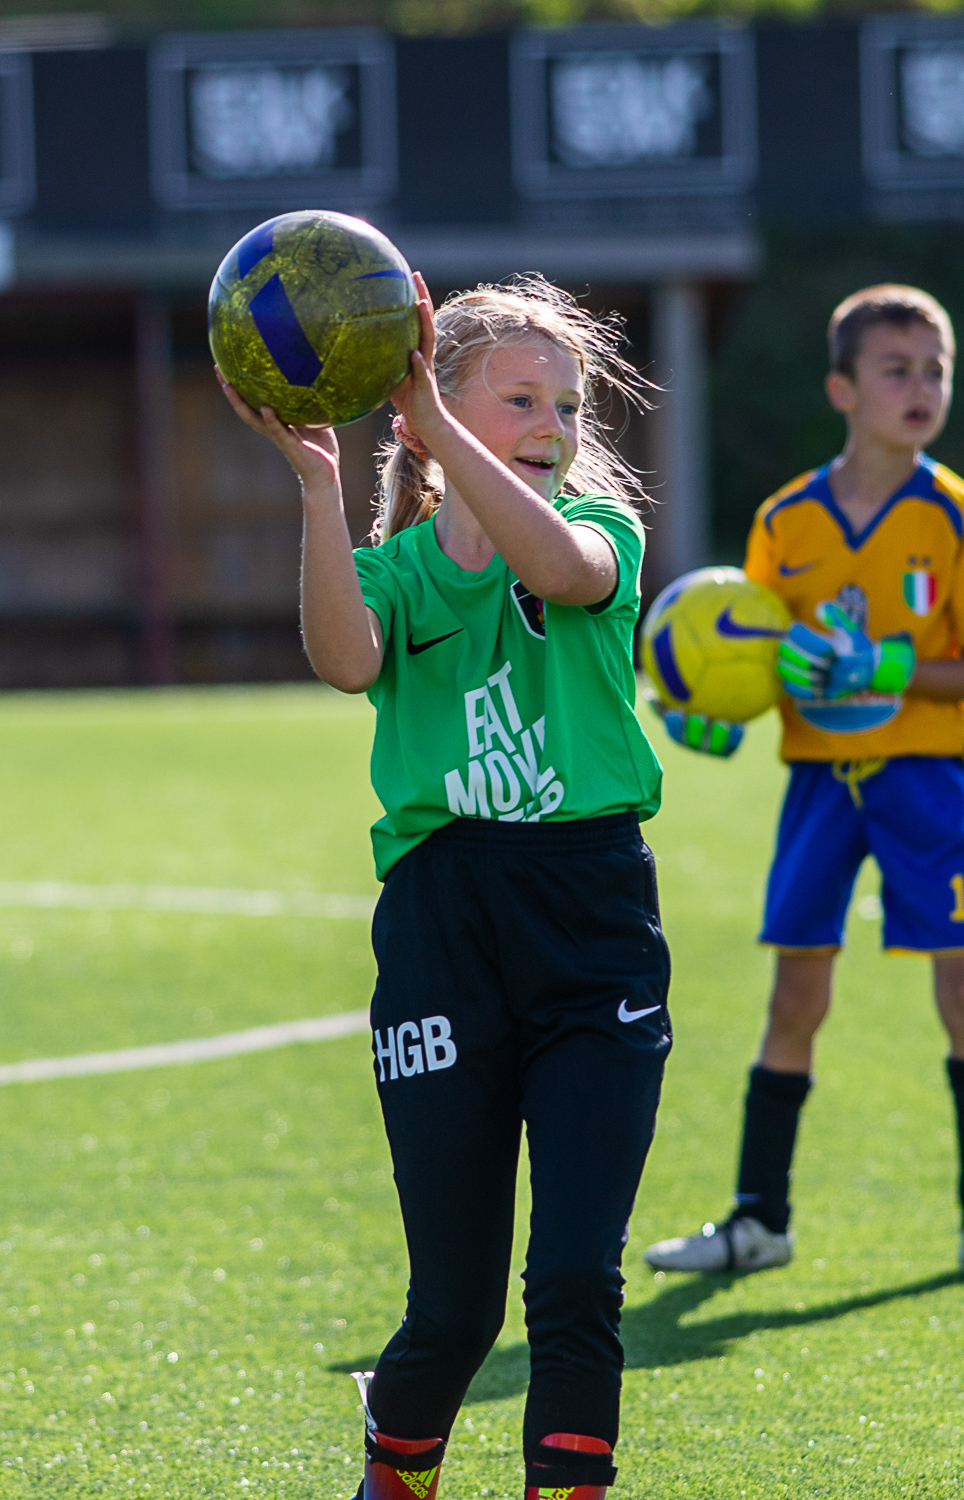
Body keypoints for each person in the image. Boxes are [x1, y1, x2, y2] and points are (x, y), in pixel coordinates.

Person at [221, 273, 671, 1500]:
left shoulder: (600, 537)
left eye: (567, 406)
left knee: (576, 1276)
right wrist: (320, 486)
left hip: (591, 923)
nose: (554, 424)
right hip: (443, 930)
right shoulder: (401, 573)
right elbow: (340, 658)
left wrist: (440, 418)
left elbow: (563, 572)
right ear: (425, 411)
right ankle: (395, 1466)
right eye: (520, 397)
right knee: (455, 1306)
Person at [645, 284, 964, 1279]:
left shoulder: (962, 519)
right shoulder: (785, 523)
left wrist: (887, 667)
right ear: (841, 387)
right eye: (895, 369)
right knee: (796, 999)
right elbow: (746, 660)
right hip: (821, 788)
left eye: (934, 371)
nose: (919, 388)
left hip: (928, 780)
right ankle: (757, 1220)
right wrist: (707, 718)